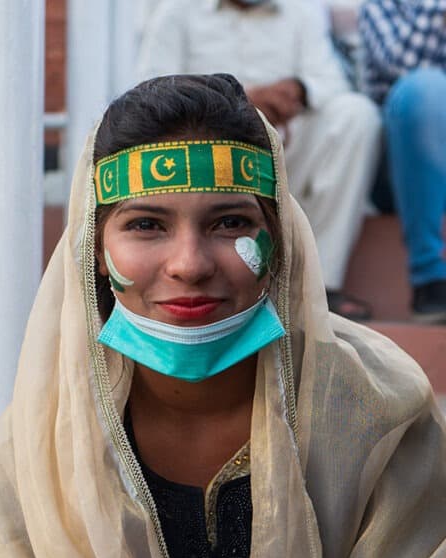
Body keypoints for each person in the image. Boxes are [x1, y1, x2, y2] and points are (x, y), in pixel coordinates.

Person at [0, 74, 446, 558]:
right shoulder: (36, 450)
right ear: (94, 247)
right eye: (145, 225)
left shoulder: (381, 411)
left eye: (229, 223)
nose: (189, 263)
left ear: (281, 237)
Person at [136, 0, 381, 321]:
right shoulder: (176, 11)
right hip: (208, 155)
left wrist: (298, 90)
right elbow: (151, 92)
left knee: (356, 115)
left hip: (286, 141)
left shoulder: (302, 10)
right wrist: (238, 99)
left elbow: (330, 82)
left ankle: (320, 285)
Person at [358, 0, 446, 322]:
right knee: (427, 90)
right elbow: (403, 63)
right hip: (398, 170)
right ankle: (429, 278)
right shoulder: (381, 5)